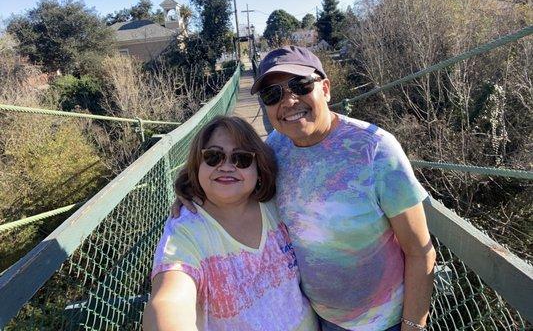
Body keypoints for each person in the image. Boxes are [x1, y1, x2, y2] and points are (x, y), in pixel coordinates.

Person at [175, 46, 436, 331]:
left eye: (300, 85)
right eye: (272, 95)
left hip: (387, 322)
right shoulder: (273, 149)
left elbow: (420, 250)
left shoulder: (375, 149)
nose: (288, 101)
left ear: (325, 89)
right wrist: (191, 189)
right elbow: (234, 179)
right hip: (318, 319)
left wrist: (414, 325)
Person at [143, 116, 318, 331]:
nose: (226, 167)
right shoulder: (185, 232)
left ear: (258, 168)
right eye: (213, 157)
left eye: (241, 159)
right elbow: (168, 299)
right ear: (198, 164)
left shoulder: (276, 204)